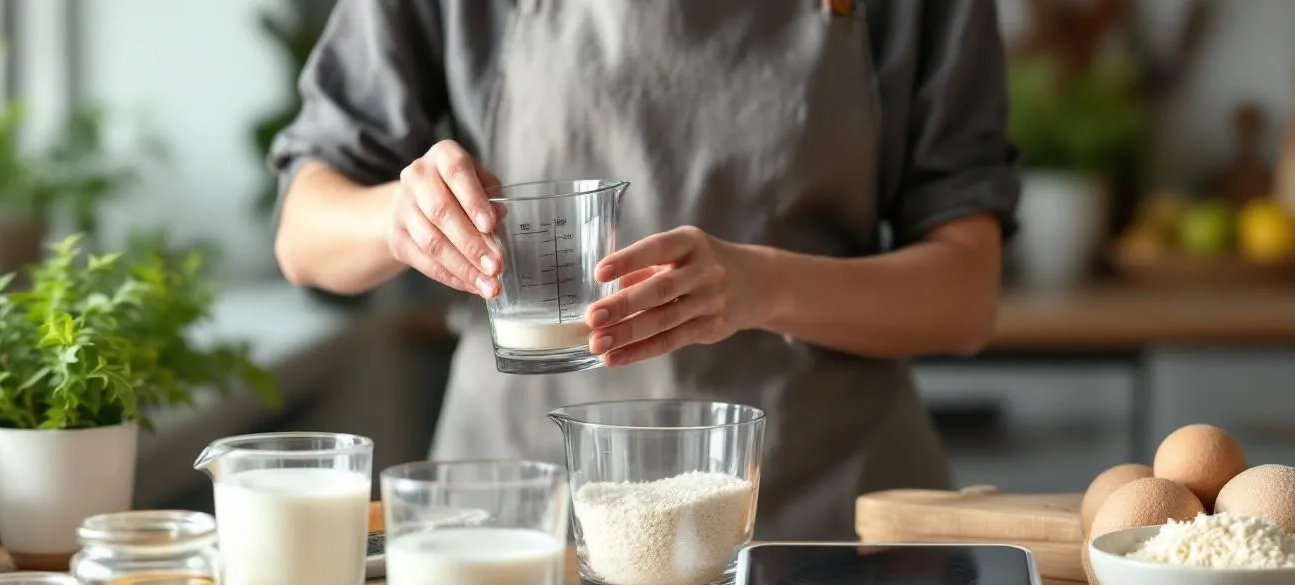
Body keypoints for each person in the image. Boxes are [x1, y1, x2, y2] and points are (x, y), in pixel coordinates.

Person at [269, 0, 1020, 541]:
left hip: (823, 521)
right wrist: (397, 217)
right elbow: (304, 234)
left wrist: (764, 286)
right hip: (523, 526)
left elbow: (965, 295)